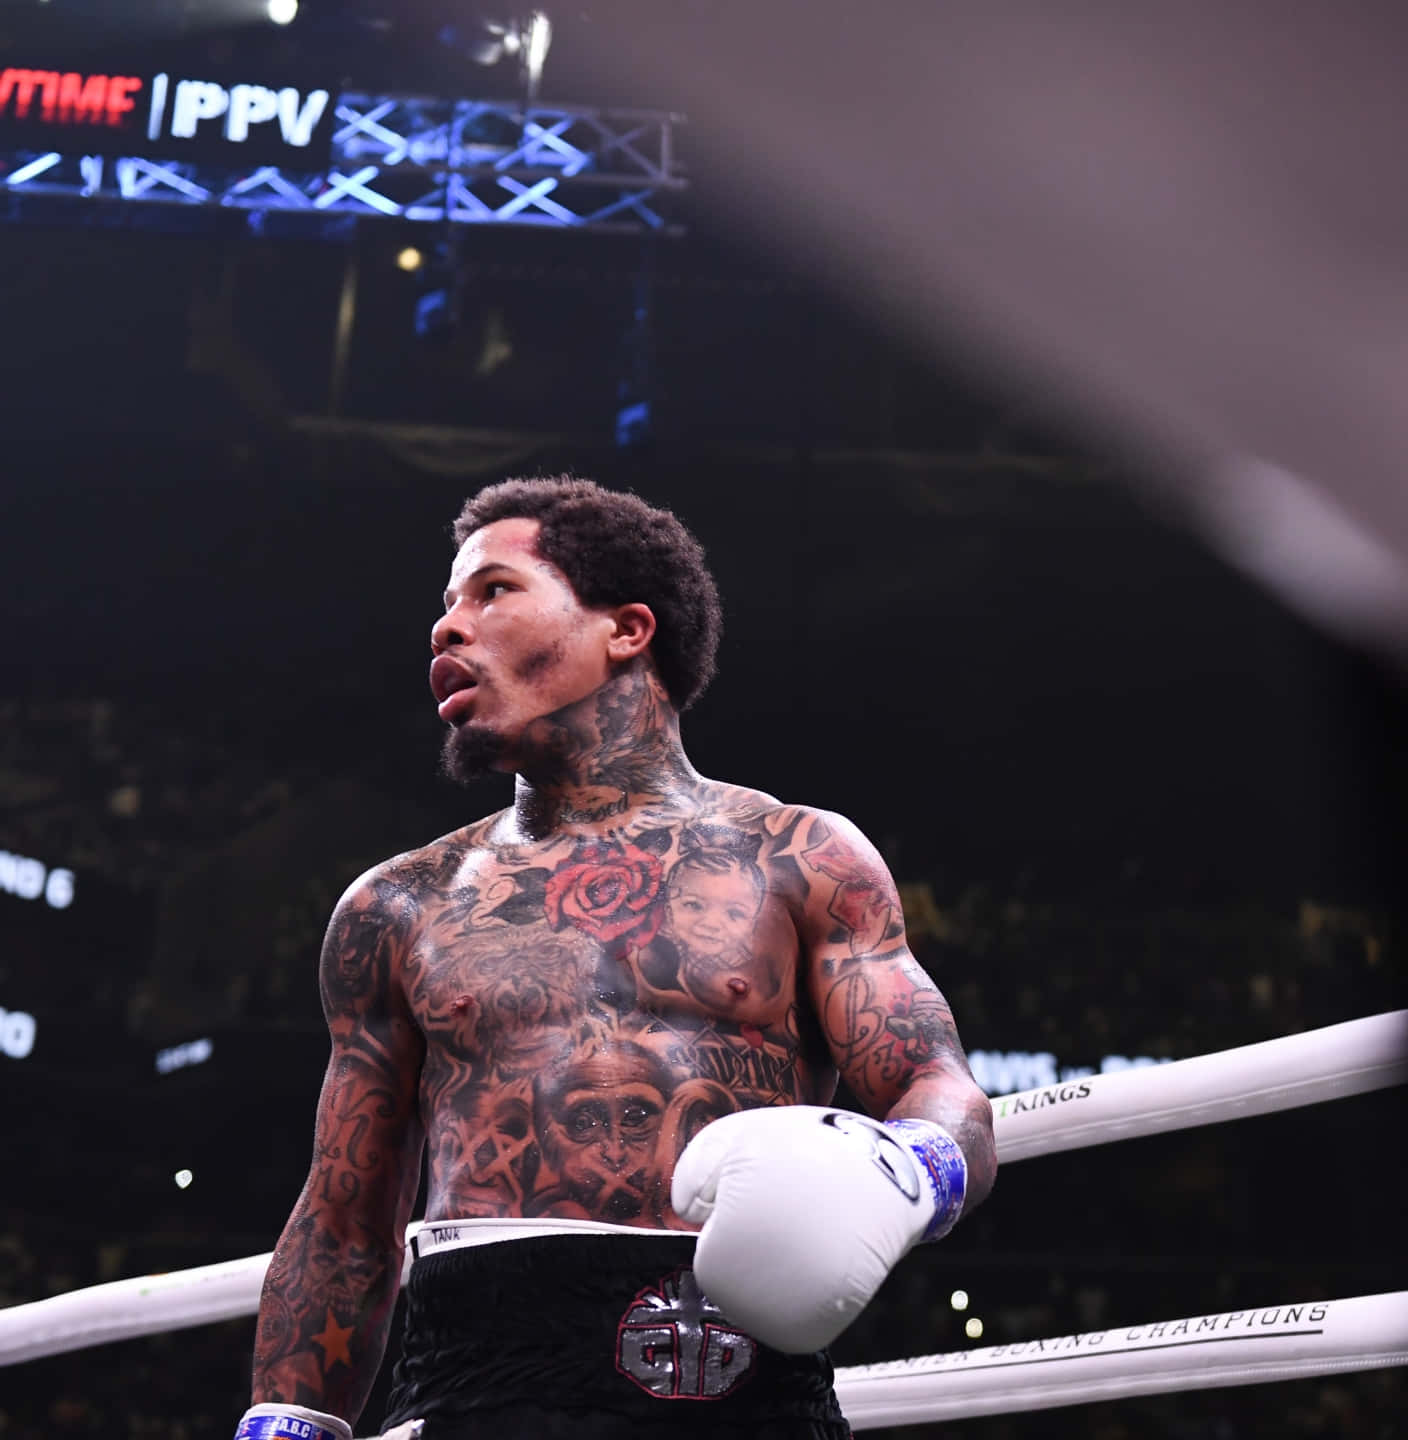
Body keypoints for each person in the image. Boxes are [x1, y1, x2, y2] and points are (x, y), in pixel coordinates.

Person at [237, 475, 997, 1440]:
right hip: (474, 1376)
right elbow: (344, 1220)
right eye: (444, 606)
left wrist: (902, 1170)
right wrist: (286, 1424)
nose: (446, 629)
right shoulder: (398, 904)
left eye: (492, 592)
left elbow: (940, 1087)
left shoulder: (799, 859)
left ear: (627, 630)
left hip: (745, 1377)